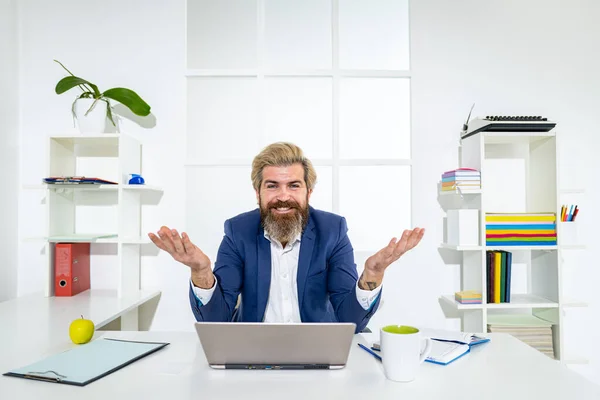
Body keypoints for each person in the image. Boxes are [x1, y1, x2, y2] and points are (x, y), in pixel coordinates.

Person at [149, 142, 424, 333]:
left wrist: (372, 275)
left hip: (320, 349)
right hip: (253, 351)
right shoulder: (238, 231)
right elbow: (217, 321)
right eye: (272, 186)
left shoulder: (332, 230)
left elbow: (349, 320)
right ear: (257, 192)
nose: (283, 196)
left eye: (294, 185)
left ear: (308, 192)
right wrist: (201, 272)